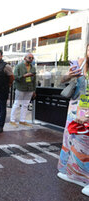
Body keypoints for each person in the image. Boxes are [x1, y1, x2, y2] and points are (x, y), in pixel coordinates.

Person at [57, 44, 89, 197]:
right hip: (75, 109)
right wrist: (69, 75)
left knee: (86, 144)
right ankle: (76, 174)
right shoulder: (81, 62)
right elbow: (62, 81)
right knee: (72, 140)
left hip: (87, 112)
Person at [9, 54, 36, 127]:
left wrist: (34, 90)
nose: (31, 59)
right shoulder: (19, 66)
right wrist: (24, 76)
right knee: (17, 104)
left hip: (29, 88)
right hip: (20, 88)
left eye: (32, 58)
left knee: (25, 105)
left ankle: (22, 120)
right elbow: (15, 77)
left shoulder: (33, 68)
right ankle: (12, 120)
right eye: (29, 57)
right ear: (25, 58)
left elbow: (34, 79)